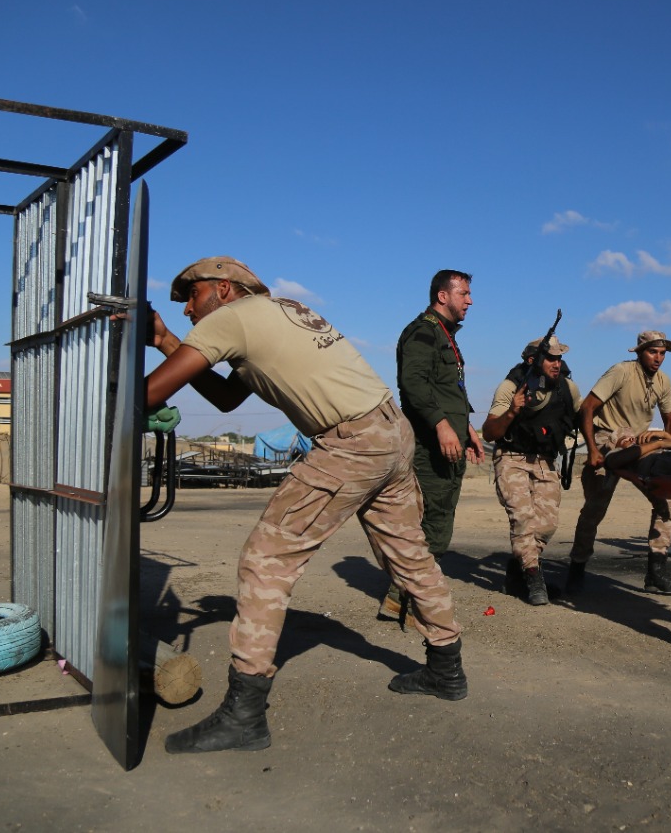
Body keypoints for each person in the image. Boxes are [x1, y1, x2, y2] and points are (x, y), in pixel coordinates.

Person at [144, 256, 467, 754]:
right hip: (390, 432)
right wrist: (166, 339)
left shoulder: (231, 319)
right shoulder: (277, 312)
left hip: (352, 442)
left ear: (223, 289)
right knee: (408, 552)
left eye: (192, 295)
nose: (187, 309)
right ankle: (447, 669)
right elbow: (228, 399)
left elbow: (151, 393)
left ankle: (244, 714)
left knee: (267, 558)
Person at [380, 269, 485, 623]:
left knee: (437, 519)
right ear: (443, 296)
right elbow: (413, 384)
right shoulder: (423, 332)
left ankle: (400, 598)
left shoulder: (444, 334)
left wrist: (466, 429)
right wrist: (441, 426)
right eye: (464, 294)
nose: (470, 301)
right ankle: (414, 602)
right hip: (429, 447)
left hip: (447, 443)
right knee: (432, 523)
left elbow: (448, 389)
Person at [566, 330, 671, 596]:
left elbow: (669, 420)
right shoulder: (621, 371)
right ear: (640, 352)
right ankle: (576, 569)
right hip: (607, 437)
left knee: (666, 499)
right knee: (595, 508)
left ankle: (656, 572)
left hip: (637, 444)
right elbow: (587, 407)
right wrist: (593, 449)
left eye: (662, 353)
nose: (658, 358)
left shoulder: (663, 381)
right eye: (652, 352)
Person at [481, 335, 582, 606]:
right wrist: (512, 411)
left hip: (545, 460)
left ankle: (518, 572)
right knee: (523, 519)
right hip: (511, 457)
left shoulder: (567, 388)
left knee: (547, 525)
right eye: (550, 358)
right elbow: (489, 432)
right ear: (532, 360)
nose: (557, 363)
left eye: (559, 358)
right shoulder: (510, 386)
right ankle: (535, 579)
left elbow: (584, 416)